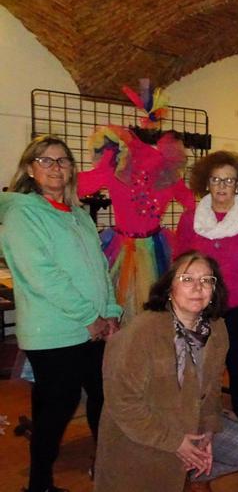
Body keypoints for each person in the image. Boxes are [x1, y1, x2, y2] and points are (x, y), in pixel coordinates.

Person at [0, 135, 123, 492]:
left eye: (62, 161)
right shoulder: (23, 213)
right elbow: (44, 276)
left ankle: (106, 470)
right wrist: (91, 316)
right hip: (56, 331)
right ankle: (39, 485)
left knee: (102, 397)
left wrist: (111, 311)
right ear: (30, 169)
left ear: (72, 169)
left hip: (93, 328)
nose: (56, 167)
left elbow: (101, 268)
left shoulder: (79, 214)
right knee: (57, 410)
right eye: (45, 160)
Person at [94, 251, 238, 492]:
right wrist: (175, 442)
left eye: (207, 280)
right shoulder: (140, 333)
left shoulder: (216, 329)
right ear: (169, 288)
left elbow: (212, 388)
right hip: (141, 430)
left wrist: (206, 431)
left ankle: (189, 473)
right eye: (187, 279)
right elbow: (123, 403)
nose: (198, 287)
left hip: (189, 421)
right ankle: (176, 471)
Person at [175, 151, 238, 425]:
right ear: (206, 183)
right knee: (199, 365)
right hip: (199, 306)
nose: (222, 186)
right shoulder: (190, 219)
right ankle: (198, 418)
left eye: (229, 181)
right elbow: (178, 262)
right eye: (216, 180)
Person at [78, 125, 195, 317]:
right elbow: (191, 205)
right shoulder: (162, 167)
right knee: (130, 302)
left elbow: (83, 186)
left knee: (143, 305)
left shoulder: (121, 163)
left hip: (151, 246)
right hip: (132, 246)